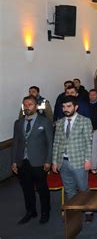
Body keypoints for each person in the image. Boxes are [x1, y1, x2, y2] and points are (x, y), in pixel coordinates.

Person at [11, 96, 53, 224]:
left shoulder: (44, 121)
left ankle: (45, 212)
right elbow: (15, 143)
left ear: (35, 106)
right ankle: (30, 211)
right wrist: (13, 161)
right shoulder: (18, 123)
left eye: (30, 104)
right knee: (27, 189)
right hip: (22, 162)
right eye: (25, 104)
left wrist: (48, 161)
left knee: (42, 189)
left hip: (39, 162)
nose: (27, 107)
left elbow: (50, 143)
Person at [51, 96, 94, 222]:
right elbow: (56, 143)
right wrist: (54, 161)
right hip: (63, 162)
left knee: (83, 188)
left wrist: (88, 160)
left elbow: (89, 142)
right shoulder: (59, 123)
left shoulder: (85, 121)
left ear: (76, 107)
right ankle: (74, 211)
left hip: (79, 160)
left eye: (69, 106)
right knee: (69, 189)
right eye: (63, 107)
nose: (66, 109)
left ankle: (88, 211)